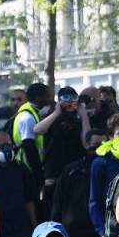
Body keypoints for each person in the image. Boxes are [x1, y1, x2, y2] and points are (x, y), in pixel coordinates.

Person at [52, 128, 106, 237]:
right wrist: (56, 234)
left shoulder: (108, 168)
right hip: (74, 236)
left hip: (99, 235)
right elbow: (58, 203)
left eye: (103, 143)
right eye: (95, 144)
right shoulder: (71, 170)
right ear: (86, 144)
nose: (99, 148)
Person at [39, 86, 92, 216]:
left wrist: (83, 115)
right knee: (53, 208)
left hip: (75, 170)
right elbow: (38, 130)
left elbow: (87, 142)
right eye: (66, 98)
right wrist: (57, 112)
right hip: (54, 172)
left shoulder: (81, 119)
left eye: (73, 98)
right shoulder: (51, 116)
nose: (70, 102)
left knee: (73, 208)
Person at [0, 131, 37, 237]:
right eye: (1, 145)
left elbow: (29, 200)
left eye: (9, 145)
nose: (6, 149)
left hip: (21, 228)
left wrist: (34, 225)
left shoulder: (21, 168)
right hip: (0, 230)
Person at [12, 83, 53, 216]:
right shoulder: (27, 117)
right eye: (46, 96)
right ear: (38, 97)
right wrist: (38, 172)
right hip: (27, 168)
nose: (49, 99)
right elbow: (28, 146)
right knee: (33, 205)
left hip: (30, 168)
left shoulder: (34, 113)